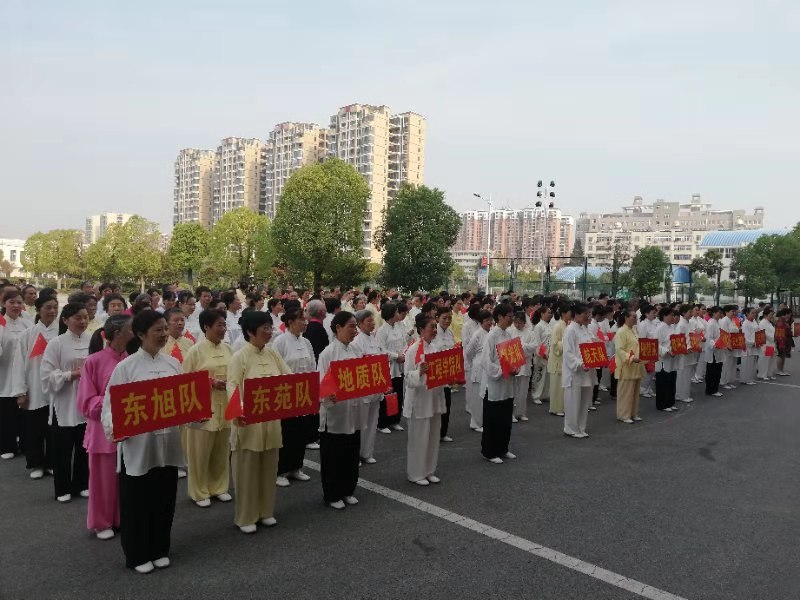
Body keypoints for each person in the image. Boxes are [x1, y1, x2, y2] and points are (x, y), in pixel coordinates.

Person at [101, 311, 185, 573]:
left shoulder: (173, 364)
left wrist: (198, 416)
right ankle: (137, 554)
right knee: (137, 503)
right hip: (138, 447)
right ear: (140, 335)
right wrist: (116, 429)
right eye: (157, 330)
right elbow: (109, 409)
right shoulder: (125, 368)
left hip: (167, 444)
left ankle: (160, 548)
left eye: (164, 329)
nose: (163, 334)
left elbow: (184, 403)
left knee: (164, 500)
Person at [226, 310, 288, 533]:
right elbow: (232, 386)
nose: (269, 332)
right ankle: (246, 516)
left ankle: (265, 511)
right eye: (264, 328)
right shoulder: (239, 357)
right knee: (246, 471)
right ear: (251, 332)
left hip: (271, 423)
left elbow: (289, 379)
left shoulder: (273, 355)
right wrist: (239, 411)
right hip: (248, 423)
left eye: (270, 328)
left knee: (269, 468)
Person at [77, 315, 132, 540]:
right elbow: (85, 403)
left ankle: (121, 517)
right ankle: (101, 522)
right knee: (103, 480)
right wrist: (113, 401)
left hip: (130, 429)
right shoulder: (94, 361)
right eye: (130, 330)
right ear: (118, 334)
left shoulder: (132, 359)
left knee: (126, 478)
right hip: (103, 432)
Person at [181, 309, 233, 507]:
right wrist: (210, 382)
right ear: (206, 327)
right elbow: (186, 381)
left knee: (221, 450)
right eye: (219, 325)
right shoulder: (195, 351)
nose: (223, 329)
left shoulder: (228, 349)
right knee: (200, 453)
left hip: (225, 406)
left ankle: (219, 487)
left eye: (224, 325)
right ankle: (199, 491)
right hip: (203, 408)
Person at [41, 302, 91, 502]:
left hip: (86, 400)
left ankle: (81, 484)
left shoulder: (93, 340)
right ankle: (62, 488)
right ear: (65, 320)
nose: (83, 321)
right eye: (78, 318)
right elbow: (46, 375)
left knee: (83, 447)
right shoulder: (57, 343)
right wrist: (72, 374)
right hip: (64, 401)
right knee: (62, 449)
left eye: (85, 317)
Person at [316, 311, 365, 509]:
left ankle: (348, 489)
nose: (355, 331)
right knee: (333, 455)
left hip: (353, 410)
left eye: (355, 326)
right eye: (351, 326)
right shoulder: (328, 353)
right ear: (338, 328)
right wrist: (328, 395)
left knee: (351, 452)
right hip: (335, 413)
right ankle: (332, 494)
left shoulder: (356, 350)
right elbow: (320, 383)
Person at [271, 308, 316, 485]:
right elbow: (276, 367)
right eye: (300, 319)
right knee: (286, 432)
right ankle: (280, 470)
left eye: (305, 319)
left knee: (301, 432)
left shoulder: (306, 342)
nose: (305, 322)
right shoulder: (280, 341)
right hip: (286, 393)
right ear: (290, 321)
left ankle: (296, 467)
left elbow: (312, 365)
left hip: (303, 394)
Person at [404, 314, 446, 485]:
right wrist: (418, 373)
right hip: (419, 400)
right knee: (419, 438)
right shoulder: (413, 350)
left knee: (433, 436)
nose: (435, 330)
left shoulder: (437, 347)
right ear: (421, 329)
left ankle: (429, 470)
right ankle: (416, 473)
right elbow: (407, 376)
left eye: (435, 327)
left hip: (434, 397)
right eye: (431, 327)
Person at [479, 303, 518, 463]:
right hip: (494, 384)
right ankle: (489, 451)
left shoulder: (509, 335)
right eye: (509, 316)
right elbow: (485, 361)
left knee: (505, 418)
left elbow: (513, 356)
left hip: (507, 383)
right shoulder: (491, 336)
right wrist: (502, 370)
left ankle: (503, 448)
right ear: (500, 317)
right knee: (493, 419)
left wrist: (515, 366)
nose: (512, 319)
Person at [1, 289, 33, 460]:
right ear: (4, 303)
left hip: (24, 373)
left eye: (19, 302)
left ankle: (26, 444)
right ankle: (7, 445)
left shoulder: (27, 325)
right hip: (4, 373)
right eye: (11, 302)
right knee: (6, 411)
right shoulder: (0, 323)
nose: (15, 305)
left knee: (25, 412)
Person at [350, 309, 385, 465]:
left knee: (372, 422)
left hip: (376, 386)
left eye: (372, 320)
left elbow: (382, 357)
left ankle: (367, 452)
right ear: (359, 324)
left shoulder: (374, 338)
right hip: (364, 388)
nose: (372, 323)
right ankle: (356, 453)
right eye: (368, 321)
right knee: (360, 423)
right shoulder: (356, 342)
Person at [561, 303, 597, 438]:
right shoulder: (570, 330)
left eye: (588, 314)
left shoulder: (585, 329)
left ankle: (581, 427)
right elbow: (568, 353)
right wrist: (580, 364)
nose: (588, 316)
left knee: (584, 401)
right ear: (576, 315)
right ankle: (570, 428)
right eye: (585, 314)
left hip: (586, 371)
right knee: (573, 401)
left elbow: (593, 345)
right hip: (575, 372)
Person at [375, 302, 407, 434]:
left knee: (399, 394)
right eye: (395, 312)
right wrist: (395, 356)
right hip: (389, 366)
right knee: (388, 395)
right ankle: (383, 423)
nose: (397, 314)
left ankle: (395, 420)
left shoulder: (398, 327)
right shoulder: (382, 331)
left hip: (400, 364)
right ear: (391, 314)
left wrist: (404, 353)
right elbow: (381, 350)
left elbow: (404, 342)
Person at [614, 310, 644, 423]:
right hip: (626, 366)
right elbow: (619, 350)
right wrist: (631, 358)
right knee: (626, 392)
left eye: (636, 317)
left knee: (635, 392)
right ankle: (623, 414)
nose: (636, 319)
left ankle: (633, 413)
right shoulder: (621, 331)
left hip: (636, 365)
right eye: (633, 317)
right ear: (626, 318)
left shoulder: (634, 330)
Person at [430, 306, 455, 441]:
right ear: (437, 317)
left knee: (446, 403)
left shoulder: (450, 333)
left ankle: (443, 433)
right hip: (436, 372)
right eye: (444, 318)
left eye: (449, 318)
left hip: (447, 373)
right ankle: (434, 433)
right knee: (435, 404)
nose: (447, 321)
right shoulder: (433, 332)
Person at [511, 311, 536, 422]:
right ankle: (511, 414)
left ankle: (521, 413)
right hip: (513, 363)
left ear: (524, 323)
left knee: (523, 391)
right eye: (516, 322)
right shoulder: (509, 331)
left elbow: (534, 346)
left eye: (520, 323)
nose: (518, 325)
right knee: (513, 391)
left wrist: (521, 345)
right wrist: (518, 347)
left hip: (525, 364)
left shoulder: (530, 333)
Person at [547, 304, 570, 417]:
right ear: (564, 314)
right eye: (569, 312)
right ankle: (555, 408)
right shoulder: (558, 326)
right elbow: (555, 344)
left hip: (564, 359)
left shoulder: (567, 325)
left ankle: (561, 407)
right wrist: (567, 343)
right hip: (557, 359)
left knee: (562, 385)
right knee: (556, 386)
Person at [531, 305, 553, 405]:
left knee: (547, 376)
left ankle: (545, 394)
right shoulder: (538, 326)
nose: (550, 314)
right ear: (542, 313)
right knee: (539, 375)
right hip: (541, 355)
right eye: (548, 312)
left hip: (550, 353)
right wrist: (542, 353)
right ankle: (536, 395)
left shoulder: (548, 325)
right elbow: (537, 342)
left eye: (550, 312)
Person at [675, 304, 696, 404]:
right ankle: (682, 395)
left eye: (692, 312)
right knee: (683, 374)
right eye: (690, 312)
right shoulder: (681, 324)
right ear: (683, 313)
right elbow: (680, 339)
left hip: (691, 351)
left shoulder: (689, 323)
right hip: (685, 352)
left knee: (687, 374)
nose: (691, 314)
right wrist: (686, 348)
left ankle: (682, 393)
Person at [638, 305, 659, 398]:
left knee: (652, 370)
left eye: (655, 312)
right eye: (653, 313)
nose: (655, 314)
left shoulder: (654, 323)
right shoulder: (643, 324)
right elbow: (642, 339)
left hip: (654, 348)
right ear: (646, 314)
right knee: (647, 370)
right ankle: (643, 388)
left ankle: (648, 387)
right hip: (646, 349)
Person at [704, 307, 725, 397]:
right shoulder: (711, 323)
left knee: (717, 370)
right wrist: (715, 345)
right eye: (719, 312)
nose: (721, 314)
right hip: (713, 350)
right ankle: (711, 389)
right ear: (714, 313)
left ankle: (715, 388)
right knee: (712, 371)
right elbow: (709, 337)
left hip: (719, 349)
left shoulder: (718, 322)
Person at [740, 307, 760, 386]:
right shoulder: (745, 323)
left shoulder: (754, 321)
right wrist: (753, 343)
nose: (754, 314)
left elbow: (758, 332)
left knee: (752, 362)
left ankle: (750, 378)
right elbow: (746, 336)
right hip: (748, 346)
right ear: (747, 313)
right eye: (752, 313)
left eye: (755, 313)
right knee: (746, 363)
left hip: (755, 345)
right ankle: (744, 379)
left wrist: (759, 341)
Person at [757, 308, 777, 381]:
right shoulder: (762, 323)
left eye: (773, 315)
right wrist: (773, 338)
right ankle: (762, 374)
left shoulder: (769, 323)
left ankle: (769, 373)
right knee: (764, 360)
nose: (772, 316)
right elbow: (764, 333)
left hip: (771, 343)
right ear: (765, 315)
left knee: (770, 359)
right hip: (766, 343)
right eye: (771, 315)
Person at [775, 309, 792, 376]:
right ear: (786, 314)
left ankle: (781, 370)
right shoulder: (781, 321)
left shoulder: (783, 320)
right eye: (790, 314)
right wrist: (781, 343)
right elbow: (780, 333)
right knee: (781, 355)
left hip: (785, 340)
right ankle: (779, 370)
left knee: (783, 356)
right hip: (782, 341)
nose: (790, 315)